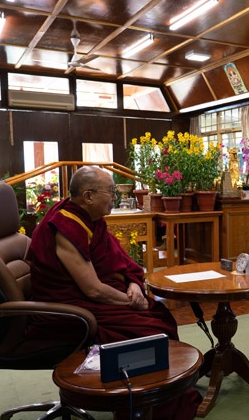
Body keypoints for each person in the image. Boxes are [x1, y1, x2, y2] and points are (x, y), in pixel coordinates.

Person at [26, 166, 201, 418]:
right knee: (150, 330)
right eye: (110, 191)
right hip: (69, 309)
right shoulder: (66, 226)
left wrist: (133, 283)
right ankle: (143, 405)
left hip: (91, 297)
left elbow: (117, 261)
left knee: (158, 315)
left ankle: (156, 396)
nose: (115, 197)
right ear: (88, 197)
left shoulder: (89, 220)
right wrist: (132, 303)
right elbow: (93, 290)